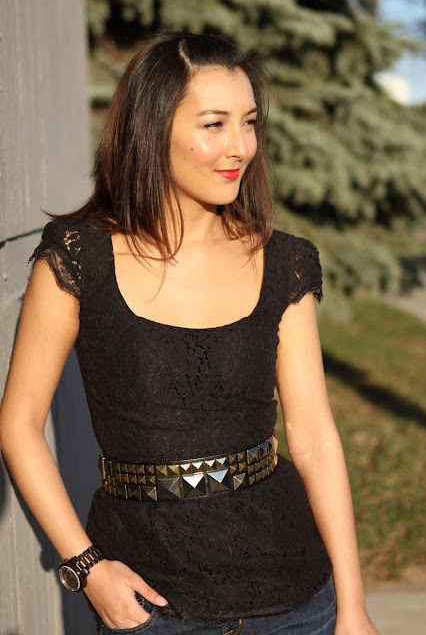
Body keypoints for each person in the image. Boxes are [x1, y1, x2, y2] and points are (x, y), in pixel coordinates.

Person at [0, 31, 380, 635]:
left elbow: (313, 439)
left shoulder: (284, 262)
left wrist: (353, 606)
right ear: (153, 131)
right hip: (152, 608)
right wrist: (87, 567)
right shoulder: (79, 258)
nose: (241, 147)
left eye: (249, 123)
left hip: (297, 602)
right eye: (214, 124)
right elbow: (19, 425)